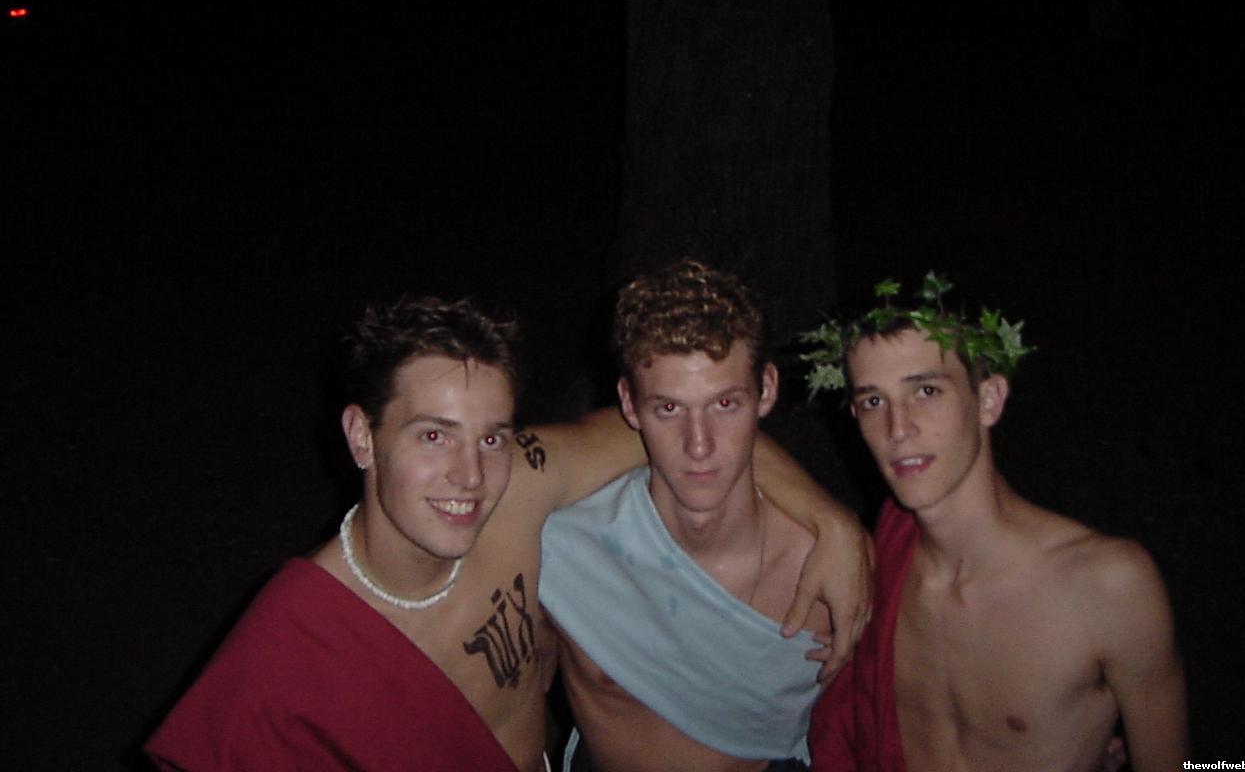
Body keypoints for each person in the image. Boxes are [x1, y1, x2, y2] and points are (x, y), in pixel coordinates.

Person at [146, 295, 868, 771]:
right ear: (362, 437)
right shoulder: (292, 644)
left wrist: (826, 518)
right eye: (433, 436)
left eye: (491, 437)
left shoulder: (519, 487)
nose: (469, 476)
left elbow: (681, 433)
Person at [804, 274, 1187, 772]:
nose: (898, 429)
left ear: (989, 400)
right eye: (873, 401)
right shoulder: (880, 563)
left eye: (926, 391)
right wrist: (831, 521)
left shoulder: (1107, 586)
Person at [541, 260, 868, 772]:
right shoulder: (564, 543)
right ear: (629, 403)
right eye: (669, 409)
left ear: (766, 389)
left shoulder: (833, 569)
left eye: (725, 404)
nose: (699, 445)